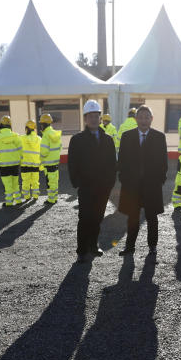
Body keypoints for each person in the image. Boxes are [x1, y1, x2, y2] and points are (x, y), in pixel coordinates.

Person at [68, 99, 116, 263]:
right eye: (91, 116)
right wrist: (78, 183)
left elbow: (112, 164)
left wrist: (110, 184)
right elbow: (72, 163)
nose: (94, 119)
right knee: (85, 218)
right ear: (85, 118)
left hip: (103, 188)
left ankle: (93, 246)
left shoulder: (108, 139)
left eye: (97, 116)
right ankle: (82, 250)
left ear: (100, 118)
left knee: (97, 218)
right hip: (86, 188)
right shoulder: (77, 140)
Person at [117, 105, 166, 256]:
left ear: (151, 119)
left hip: (152, 186)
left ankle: (153, 246)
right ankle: (129, 246)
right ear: (136, 119)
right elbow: (122, 161)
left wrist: (160, 181)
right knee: (133, 217)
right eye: (141, 117)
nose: (144, 120)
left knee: (152, 218)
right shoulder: (127, 136)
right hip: (133, 186)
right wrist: (124, 180)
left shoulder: (159, 137)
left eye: (147, 117)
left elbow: (163, 162)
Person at [0, 116, 23, 207]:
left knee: (7, 183)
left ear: (1, 125)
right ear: (10, 126)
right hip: (15, 164)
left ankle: (9, 202)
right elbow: (20, 149)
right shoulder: (16, 136)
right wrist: (21, 159)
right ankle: (18, 200)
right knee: (15, 182)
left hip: (4, 165)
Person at [39, 113, 62, 204]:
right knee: (54, 181)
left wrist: (41, 158)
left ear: (44, 124)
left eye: (41, 124)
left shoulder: (46, 135)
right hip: (55, 162)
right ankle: (54, 197)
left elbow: (44, 152)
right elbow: (60, 147)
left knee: (50, 181)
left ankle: (51, 199)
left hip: (48, 163)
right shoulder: (55, 134)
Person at [20, 120, 42, 202]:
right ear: (34, 128)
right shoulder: (39, 139)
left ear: (26, 128)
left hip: (25, 165)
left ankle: (26, 197)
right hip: (35, 165)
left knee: (25, 182)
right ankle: (35, 195)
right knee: (35, 181)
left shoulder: (21, 138)